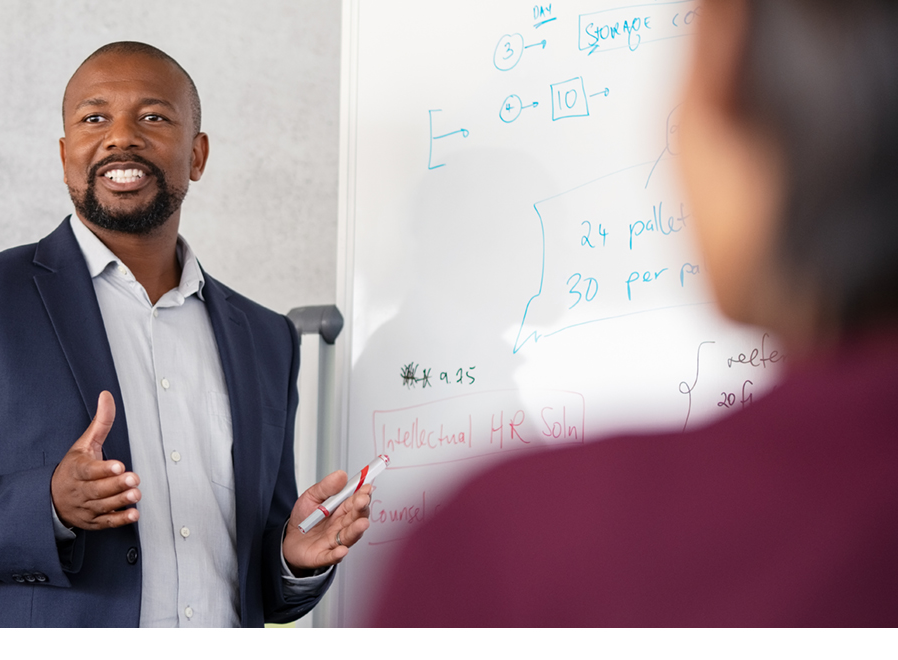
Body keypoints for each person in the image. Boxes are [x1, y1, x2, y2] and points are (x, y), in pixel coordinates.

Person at [372, 0, 898, 627]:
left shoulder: (523, 540)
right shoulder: (427, 377)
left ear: (731, 85)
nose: (568, 255)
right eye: (553, 234)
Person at [0, 41, 373, 628]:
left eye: (153, 117)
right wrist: (46, 506)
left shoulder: (266, 337)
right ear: (65, 152)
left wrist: (290, 560)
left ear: (197, 155)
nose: (121, 136)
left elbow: (248, 577)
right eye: (94, 117)